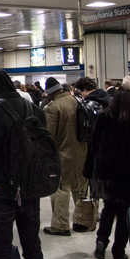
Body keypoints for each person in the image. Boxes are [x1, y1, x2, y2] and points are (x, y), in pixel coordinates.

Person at [0, 70, 47, 259]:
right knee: (32, 244)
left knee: (2, 247)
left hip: (1, 186)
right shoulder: (34, 109)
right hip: (30, 185)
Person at [84, 89, 130, 259]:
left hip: (106, 173)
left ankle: (101, 241)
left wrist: (89, 169)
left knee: (108, 209)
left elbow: (93, 145)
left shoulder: (103, 118)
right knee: (125, 215)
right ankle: (118, 251)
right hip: (129, 175)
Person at [43, 77, 89, 235]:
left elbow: (49, 137)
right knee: (81, 189)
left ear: (50, 93)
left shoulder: (53, 108)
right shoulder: (77, 101)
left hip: (63, 155)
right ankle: (85, 220)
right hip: (82, 153)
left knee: (61, 189)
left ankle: (61, 225)